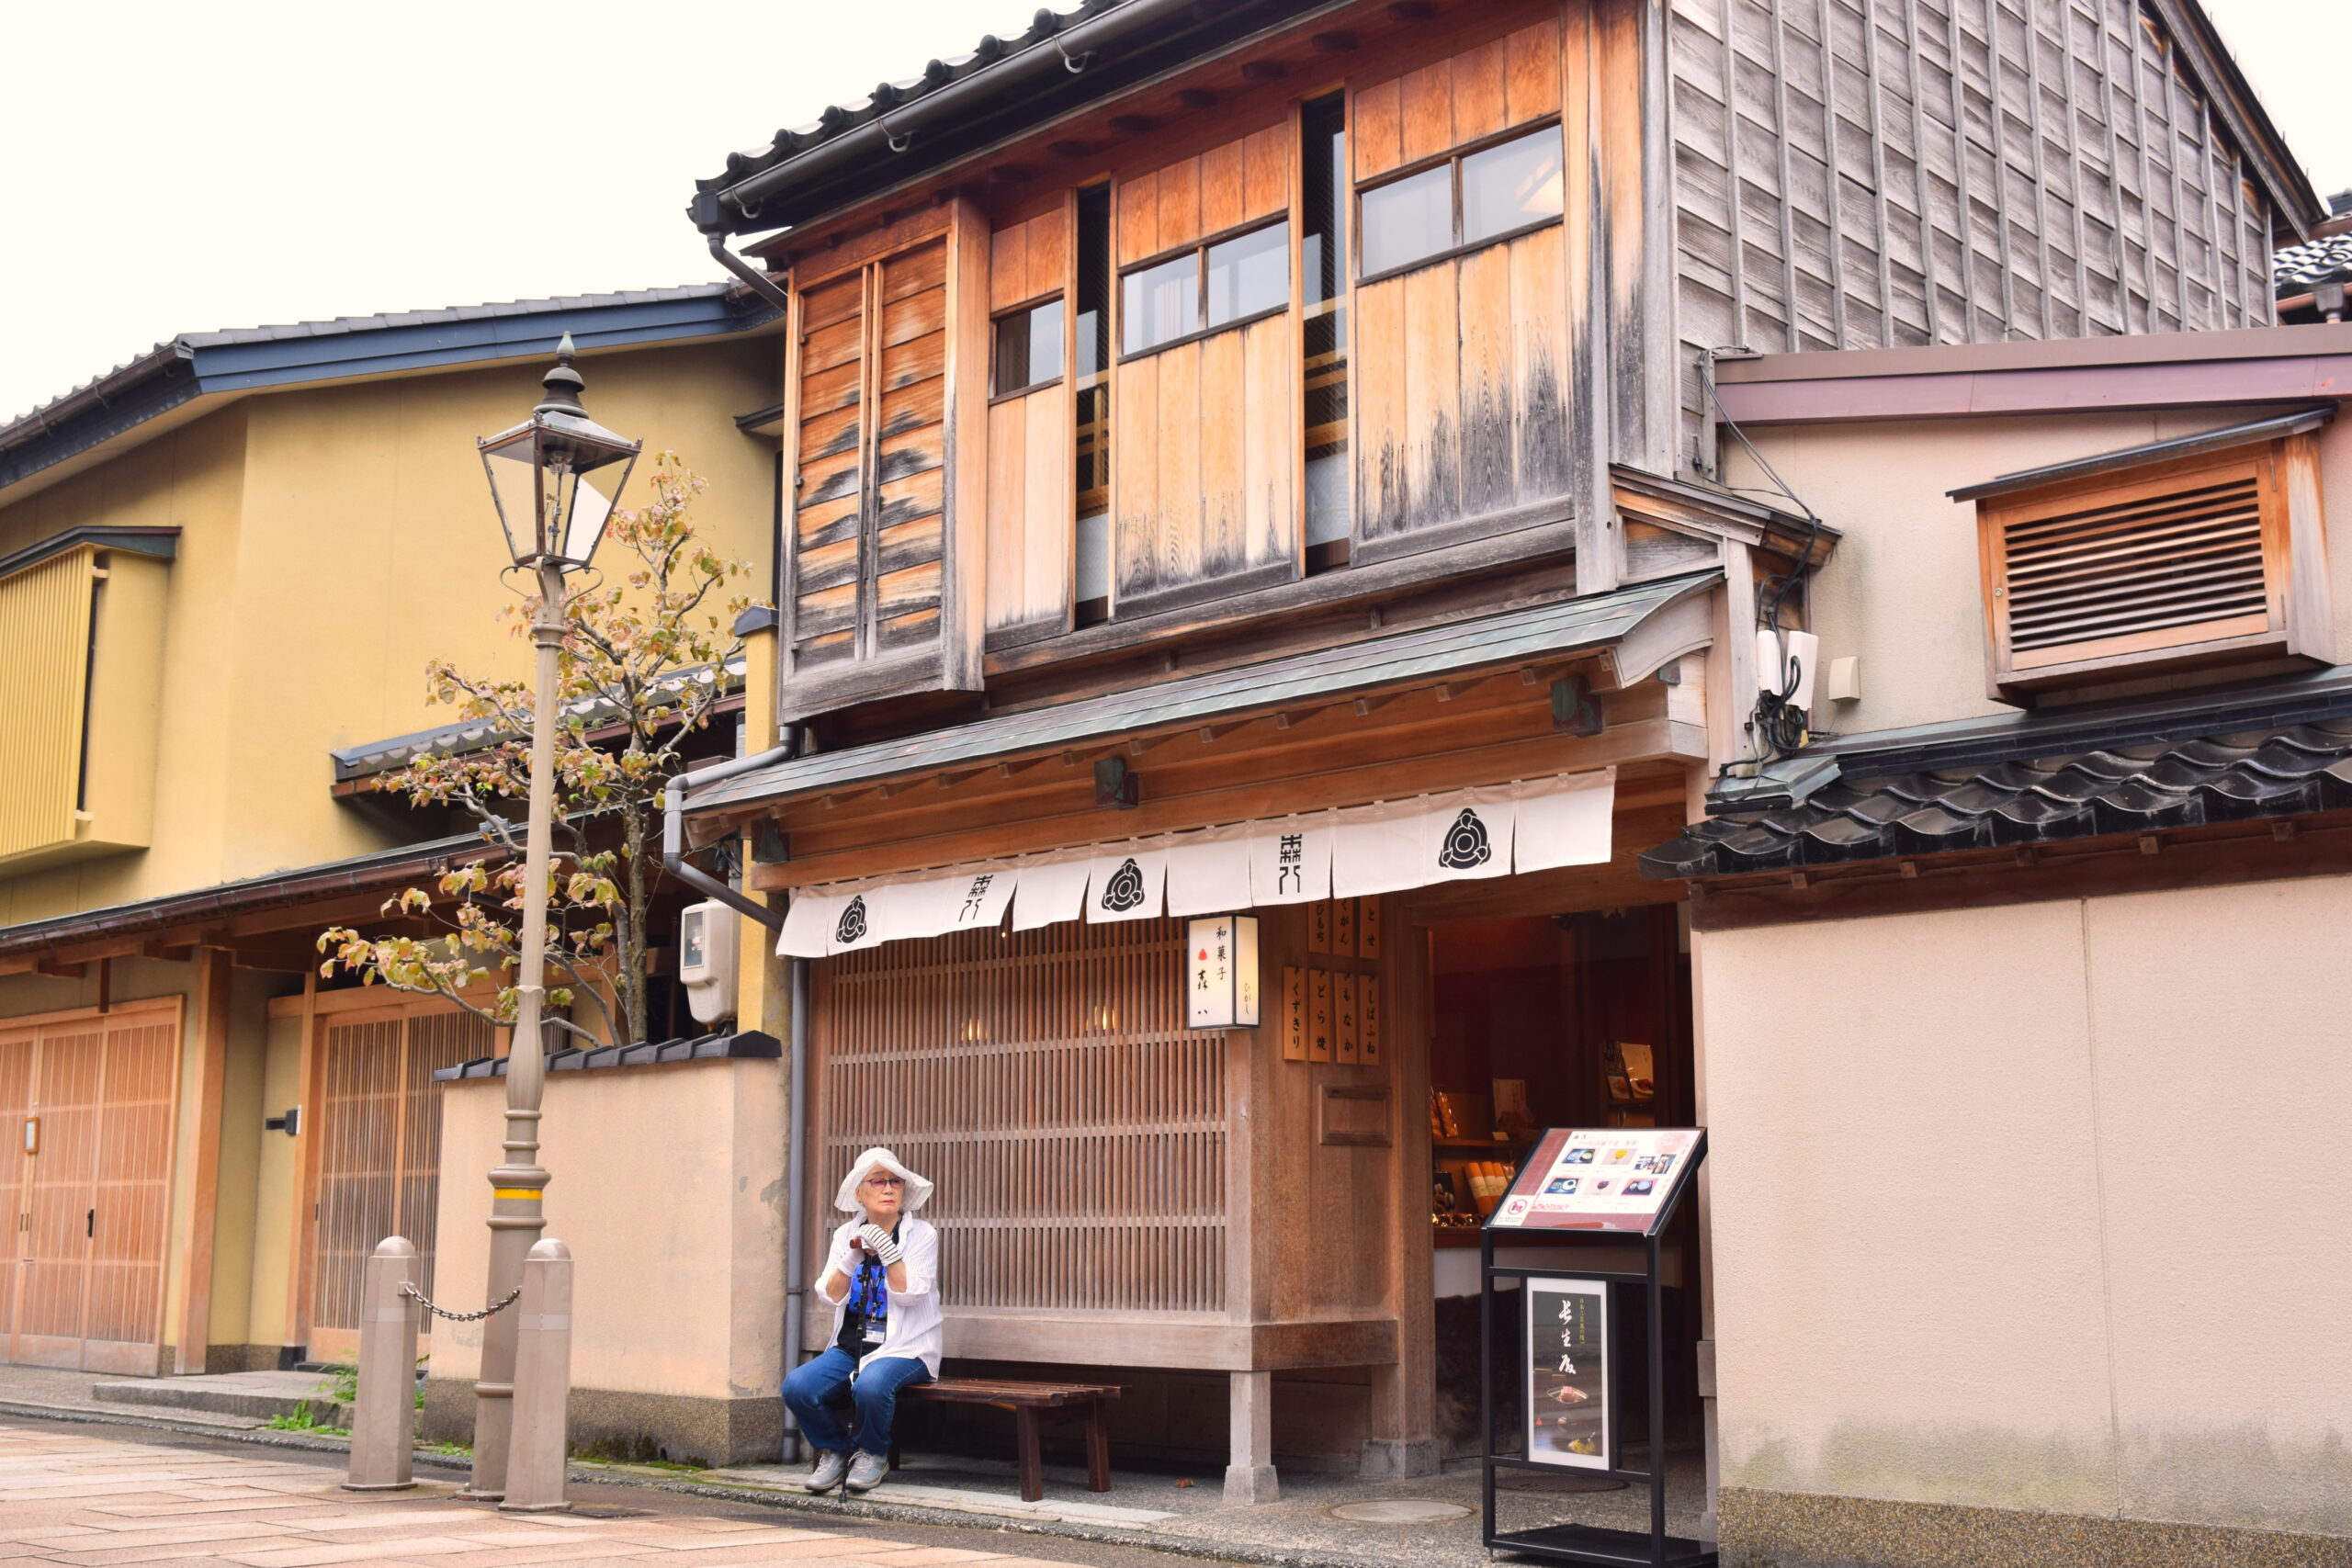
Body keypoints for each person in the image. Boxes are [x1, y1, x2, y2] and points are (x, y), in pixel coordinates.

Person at [782, 1146, 941, 1494]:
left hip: (905, 1346)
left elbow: (910, 1294)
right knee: (798, 1387)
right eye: (878, 1181)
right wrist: (852, 1257)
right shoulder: (845, 1235)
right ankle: (836, 1451)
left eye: (895, 1182)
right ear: (860, 1192)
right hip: (851, 1343)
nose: (888, 1189)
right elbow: (830, 1294)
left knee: (869, 1386)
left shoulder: (922, 1234)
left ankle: (873, 1452)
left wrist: (888, 1249)